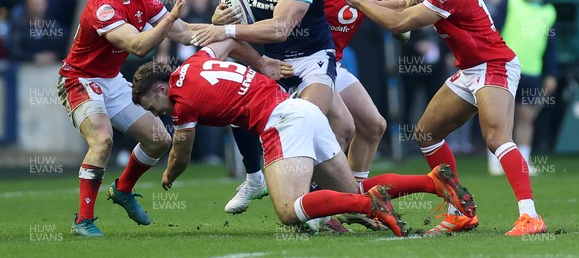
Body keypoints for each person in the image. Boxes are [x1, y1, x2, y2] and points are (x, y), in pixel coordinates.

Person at [130, 38, 477, 237]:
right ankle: (432, 182)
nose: (155, 112)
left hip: (281, 122)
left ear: (161, 88)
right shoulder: (195, 62)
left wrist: (168, 175)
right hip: (304, 111)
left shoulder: (181, 101)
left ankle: (368, 205)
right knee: (349, 191)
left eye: (151, 104)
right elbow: (229, 40)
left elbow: (182, 153)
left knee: (289, 211)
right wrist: (260, 61)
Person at [330, 0, 546, 236]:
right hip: (470, 69)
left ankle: (531, 216)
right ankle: (458, 211)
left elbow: (402, 22)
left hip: (494, 64)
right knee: (426, 133)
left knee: (496, 138)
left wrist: (358, 0)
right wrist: (358, 1)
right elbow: (403, 6)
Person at [194, 0, 354, 216]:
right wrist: (220, 17)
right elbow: (237, 18)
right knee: (237, 105)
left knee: (308, 121)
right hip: (269, 60)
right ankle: (256, 179)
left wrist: (227, 31)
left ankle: (314, 199)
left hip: (311, 61)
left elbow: (280, 28)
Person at [56, 0, 202, 237]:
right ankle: (83, 221)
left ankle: (122, 189)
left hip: (111, 79)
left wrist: (226, 28)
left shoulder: (141, 0)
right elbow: (138, 46)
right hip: (81, 80)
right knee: (102, 140)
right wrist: (170, 17)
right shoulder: (103, 7)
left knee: (160, 139)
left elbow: (185, 33)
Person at [315, 0, 394, 185]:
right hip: (310, 62)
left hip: (334, 63)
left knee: (374, 126)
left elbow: (395, 12)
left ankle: (356, 194)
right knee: (343, 127)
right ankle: (320, 201)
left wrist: (362, 0)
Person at [487, 0, 557, 176]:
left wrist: (551, 73)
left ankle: (523, 161)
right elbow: (493, 28)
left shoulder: (549, 11)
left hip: (532, 71)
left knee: (526, 117)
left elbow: (551, 47)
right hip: (505, 67)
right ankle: (496, 161)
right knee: (501, 117)